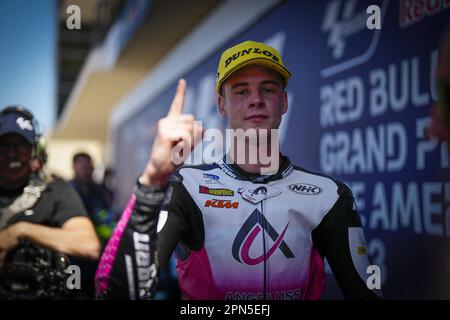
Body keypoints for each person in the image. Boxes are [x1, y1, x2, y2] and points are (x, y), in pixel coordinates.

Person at [95, 41, 380, 300]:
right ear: (222, 104)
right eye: (241, 91)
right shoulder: (187, 187)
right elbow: (116, 292)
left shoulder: (329, 195)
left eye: (268, 89)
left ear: (284, 102)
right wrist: (152, 181)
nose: (256, 99)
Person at [0, 106, 100, 298]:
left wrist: (21, 231)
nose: (12, 154)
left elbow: (88, 245)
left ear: (34, 151)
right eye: (4, 145)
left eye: (20, 146)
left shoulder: (56, 192)